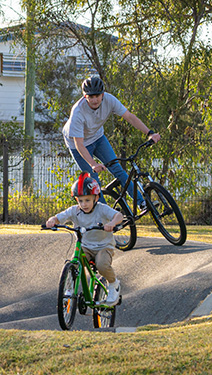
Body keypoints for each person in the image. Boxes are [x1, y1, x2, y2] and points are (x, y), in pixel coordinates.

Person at [62, 75, 161, 212]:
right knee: (93, 180)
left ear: (102, 94)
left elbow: (130, 117)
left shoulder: (110, 100)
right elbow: (79, 144)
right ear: (85, 97)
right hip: (78, 144)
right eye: (91, 97)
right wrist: (93, 164)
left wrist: (149, 133)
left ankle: (141, 202)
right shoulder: (78, 112)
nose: (95, 100)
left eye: (97, 95)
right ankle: (106, 215)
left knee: (118, 169)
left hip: (98, 137)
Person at [45, 173, 124, 305]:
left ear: (96, 198)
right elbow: (59, 217)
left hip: (103, 246)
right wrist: (52, 220)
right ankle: (69, 290)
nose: (84, 204)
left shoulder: (102, 209)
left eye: (87, 200)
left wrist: (112, 223)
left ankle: (114, 284)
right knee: (73, 263)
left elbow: (119, 215)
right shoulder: (74, 211)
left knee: (102, 265)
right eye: (80, 200)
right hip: (85, 246)